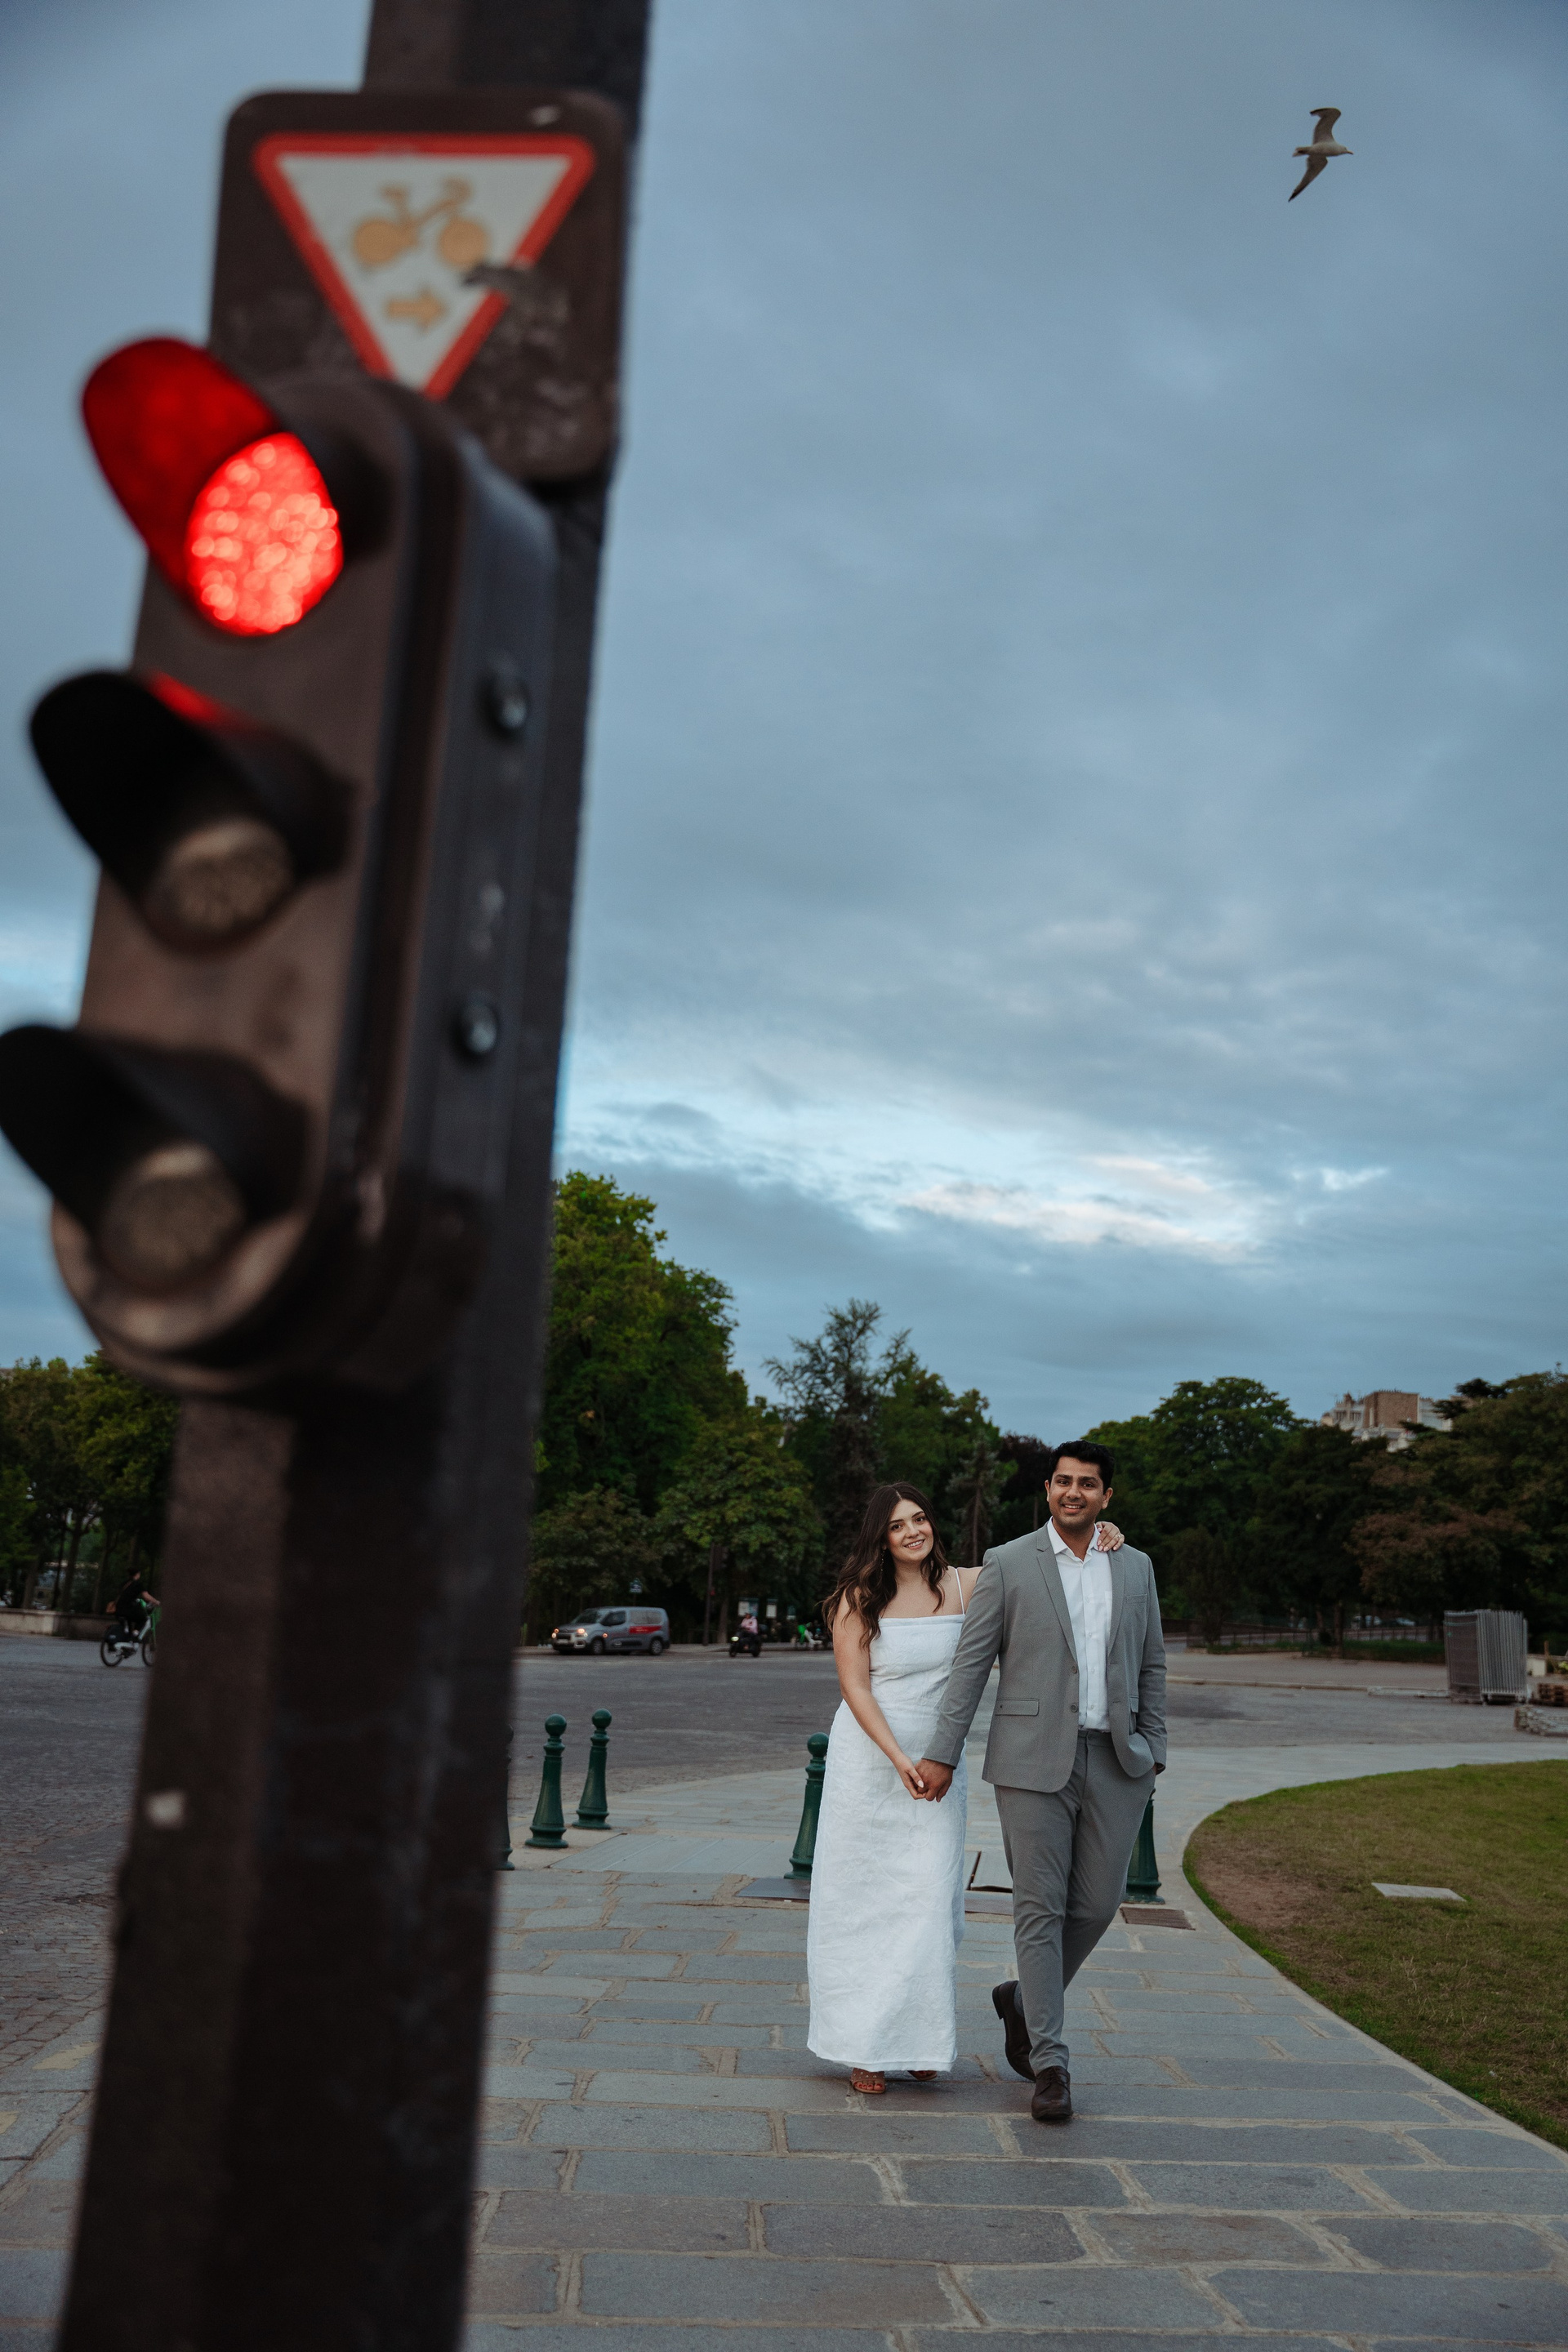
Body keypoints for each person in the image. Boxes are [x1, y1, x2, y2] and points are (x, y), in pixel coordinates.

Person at [807, 1481, 1125, 2096]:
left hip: (939, 1766)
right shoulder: (857, 1599)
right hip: (871, 1764)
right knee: (862, 1906)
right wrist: (899, 1758)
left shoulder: (968, 1584)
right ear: (880, 1537)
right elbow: (856, 1688)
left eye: (919, 1519)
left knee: (931, 1901)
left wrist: (1099, 1532)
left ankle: (918, 2040)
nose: (912, 1532)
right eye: (897, 1525)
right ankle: (865, 2047)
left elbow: (1043, 1558)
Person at [916, 1441, 1165, 2127]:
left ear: (1106, 1496)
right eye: (1062, 1481)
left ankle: (1023, 2000)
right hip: (1030, 1760)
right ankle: (1050, 2064)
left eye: (1087, 1483)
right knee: (1039, 1908)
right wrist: (942, 1753)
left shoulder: (1135, 1565)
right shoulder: (1008, 1562)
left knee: (1098, 1904)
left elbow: (1152, 1664)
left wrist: (1156, 1750)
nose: (1072, 1492)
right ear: (1048, 1489)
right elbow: (971, 1666)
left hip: (1117, 1760)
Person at [107, 1565, 158, 1642]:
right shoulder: (138, 1584)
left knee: (128, 1628)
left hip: (118, 1609)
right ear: (137, 1574)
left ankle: (128, 1640)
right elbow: (146, 1596)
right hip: (127, 1610)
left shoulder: (124, 1584)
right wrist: (156, 1602)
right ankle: (135, 1634)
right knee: (143, 1619)